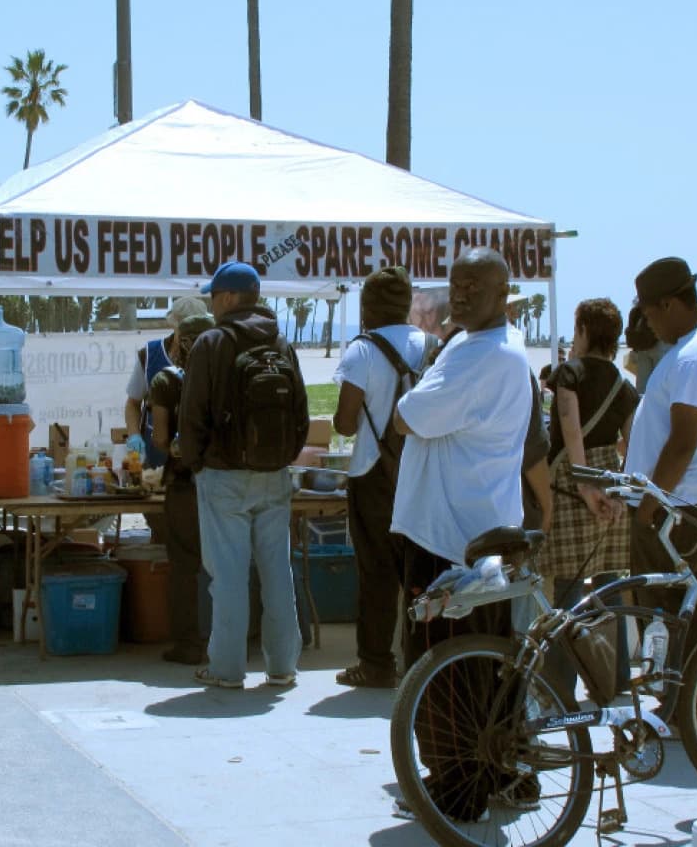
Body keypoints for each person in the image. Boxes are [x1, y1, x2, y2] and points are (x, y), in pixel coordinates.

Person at [389, 249, 534, 821]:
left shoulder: (476, 355)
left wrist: (417, 394)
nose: (463, 294)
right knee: (484, 666)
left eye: (477, 285)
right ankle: (499, 773)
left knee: (441, 667)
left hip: (449, 536)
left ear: (503, 293)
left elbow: (408, 416)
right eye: (457, 284)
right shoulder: (497, 347)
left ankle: (455, 788)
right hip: (482, 525)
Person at [625, 257, 697, 741]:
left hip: (677, 504)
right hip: (679, 500)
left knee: (677, 611)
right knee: (673, 610)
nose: (648, 324)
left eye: (650, 314)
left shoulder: (695, 356)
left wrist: (649, 504)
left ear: (670, 304)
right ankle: (683, 708)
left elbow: (681, 443)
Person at [179, 261, 309, 689]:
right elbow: (302, 415)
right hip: (273, 475)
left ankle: (227, 670)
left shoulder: (212, 342)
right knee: (277, 574)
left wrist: (198, 463)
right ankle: (282, 667)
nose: (212, 304)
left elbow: (190, 415)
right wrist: (282, 458)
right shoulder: (282, 343)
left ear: (231, 297)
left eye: (215, 295)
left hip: (223, 476)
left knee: (229, 577)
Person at [331, 266, 429, 689]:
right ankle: (423, 660)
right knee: (422, 572)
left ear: (368, 307)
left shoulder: (362, 351)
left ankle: (374, 664)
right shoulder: (433, 347)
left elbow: (346, 424)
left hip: (373, 475)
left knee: (376, 574)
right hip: (423, 474)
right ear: (407, 304)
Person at [541, 298, 641, 696]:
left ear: (582, 331)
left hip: (570, 487)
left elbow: (569, 424)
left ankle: (559, 687)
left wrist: (583, 483)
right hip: (611, 489)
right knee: (609, 588)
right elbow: (632, 443)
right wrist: (616, 490)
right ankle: (611, 682)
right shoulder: (625, 386)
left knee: (566, 590)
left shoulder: (569, 373)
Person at [148, 313, 215, 665]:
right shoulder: (225, 376)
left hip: (185, 486)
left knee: (184, 566)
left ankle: (189, 644)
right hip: (222, 483)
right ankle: (228, 640)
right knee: (226, 565)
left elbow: (160, 438)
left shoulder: (166, 380)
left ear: (180, 342)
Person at [124, 295, 210, 469]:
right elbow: (133, 403)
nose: (190, 339)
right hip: (156, 454)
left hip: (201, 455)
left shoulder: (212, 356)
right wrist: (134, 436)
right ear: (173, 324)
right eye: (185, 331)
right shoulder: (150, 355)